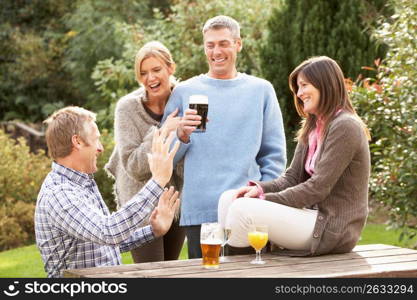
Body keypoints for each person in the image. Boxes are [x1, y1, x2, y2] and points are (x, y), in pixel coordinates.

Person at [218, 56, 371, 256]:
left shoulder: (345, 126)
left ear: (324, 84)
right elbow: (291, 179)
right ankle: (239, 268)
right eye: (298, 88)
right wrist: (258, 189)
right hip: (310, 216)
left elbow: (318, 188)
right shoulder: (313, 127)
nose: (299, 94)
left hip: (331, 227)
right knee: (229, 198)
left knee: (242, 211)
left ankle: (235, 273)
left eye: (304, 85)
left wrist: (264, 199)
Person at [161, 15, 287, 258]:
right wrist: (182, 135)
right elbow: (164, 156)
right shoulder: (185, 92)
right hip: (201, 212)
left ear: (238, 44)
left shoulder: (261, 90)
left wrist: (261, 195)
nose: (216, 51)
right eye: (210, 45)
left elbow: (274, 154)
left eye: (223, 43)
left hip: (246, 209)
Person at [35, 106, 180, 278]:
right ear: (78, 142)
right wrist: (157, 181)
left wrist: (153, 231)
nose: (101, 148)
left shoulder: (81, 184)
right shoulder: (59, 194)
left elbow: (106, 243)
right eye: (96, 140)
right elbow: (108, 232)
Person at [105, 41, 185, 263]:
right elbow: (133, 166)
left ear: (171, 68)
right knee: (151, 277)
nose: (150, 78)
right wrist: (161, 131)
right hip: (140, 208)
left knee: (170, 272)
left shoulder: (185, 99)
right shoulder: (127, 108)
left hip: (175, 202)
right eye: (143, 73)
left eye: (156, 70)